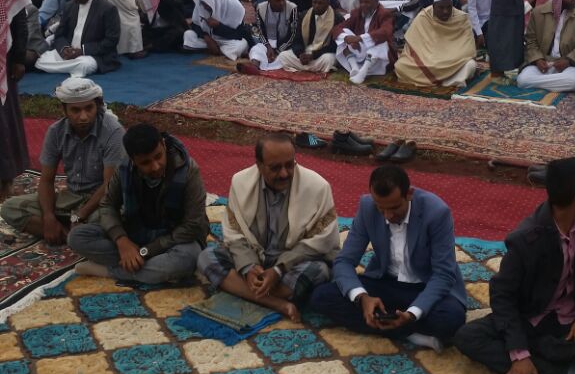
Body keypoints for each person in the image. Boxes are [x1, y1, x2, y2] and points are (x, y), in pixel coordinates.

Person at [454, 157, 575, 374]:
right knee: (467, 337)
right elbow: (502, 295)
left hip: (570, 319)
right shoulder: (527, 238)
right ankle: (553, 369)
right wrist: (519, 353)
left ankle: (542, 352)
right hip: (530, 318)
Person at [310, 163, 467, 350]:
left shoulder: (436, 212)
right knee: (322, 296)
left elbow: (443, 275)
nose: (388, 215)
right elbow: (344, 261)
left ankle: (396, 322)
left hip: (425, 286)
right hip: (386, 283)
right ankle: (411, 334)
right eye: (381, 208)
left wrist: (412, 314)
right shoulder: (367, 207)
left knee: (451, 319)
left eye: (394, 208)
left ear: (409, 194)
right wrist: (362, 298)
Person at [198, 132, 340, 322]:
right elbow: (235, 234)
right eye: (275, 168)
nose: (284, 174)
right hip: (257, 259)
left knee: (319, 270)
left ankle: (248, 292)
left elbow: (320, 242)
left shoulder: (317, 187)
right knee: (206, 257)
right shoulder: (241, 182)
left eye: (289, 165)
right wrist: (249, 268)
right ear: (259, 165)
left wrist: (278, 270)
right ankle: (277, 303)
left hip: (294, 263)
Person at [68, 122, 209, 284]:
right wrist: (122, 241)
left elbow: (192, 225)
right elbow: (107, 205)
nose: (155, 166)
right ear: (133, 160)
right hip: (136, 233)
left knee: (187, 258)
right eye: (145, 163)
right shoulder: (124, 168)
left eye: (158, 156)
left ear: (163, 145)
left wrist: (146, 251)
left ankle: (111, 271)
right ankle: (146, 268)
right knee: (77, 237)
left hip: (174, 239)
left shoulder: (189, 170)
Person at [1, 76, 125, 242]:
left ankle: (74, 234)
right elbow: (46, 181)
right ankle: (73, 236)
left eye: (89, 108)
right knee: (10, 208)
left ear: (98, 106)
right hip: (70, 198)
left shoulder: (113, 131)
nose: (83, 117)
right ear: (64, 110)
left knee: (110, 219)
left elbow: (109, 186)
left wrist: (80, 215)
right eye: (76, 110)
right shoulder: (56, 131)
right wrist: (49, 217)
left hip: (100, 201)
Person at [35, 0, 121, 76]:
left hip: (92, 55)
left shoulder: (107, 9)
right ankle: (71, 68)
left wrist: (82, 51)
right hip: (68, 53)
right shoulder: (69, 6)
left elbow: (111, 40)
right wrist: (65, 49)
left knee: (83, 65)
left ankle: (66, 67)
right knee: (41, 60)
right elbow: (60, 35)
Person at [517, 0, 575, 93]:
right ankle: (556, 84)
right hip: (543, 63)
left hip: (569, 65)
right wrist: (537, 59)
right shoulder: (538, 13)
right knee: (522, 80)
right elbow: (531, 40)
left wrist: (568, 60)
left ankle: (539, 83)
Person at [395, 0, 476, 88]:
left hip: (453, 62)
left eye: (448, 7)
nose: (445, 11)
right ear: (433, 6)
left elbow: (468, 48)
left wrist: (447, 60)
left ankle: (447, 80)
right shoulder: (424, 17)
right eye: (441, 8)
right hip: (427, 59)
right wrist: (432, 60)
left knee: (470, 65)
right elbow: (412, 46)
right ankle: (449, 80)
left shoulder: (461, 18)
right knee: (400, 66)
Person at [0, 0, 31, 202]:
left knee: (3, 122)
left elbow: (19, 15)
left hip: (4, 59)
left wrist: (19, 57)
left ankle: (5, 181)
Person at [333, 0, 396, 84]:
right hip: (359, 49)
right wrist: (347, 38)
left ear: (376, 3)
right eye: (361, 2)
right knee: (342, 34)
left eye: (367, 2)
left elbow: (386, 31)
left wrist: (360, 38)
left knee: (382, 42)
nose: (363, 5)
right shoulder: (357, 13)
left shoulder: (383, 13)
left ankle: (363, 72)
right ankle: (354, 68)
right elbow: (337, 28)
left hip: (377, 58)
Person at [276, 0, 340, 74]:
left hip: (321, 55)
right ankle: (312, 68)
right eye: (314, 2)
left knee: (328, 60)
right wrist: (300, 54)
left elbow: (334, 46)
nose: (316, 6)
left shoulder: (337, 18)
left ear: (328, 4)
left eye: (320, 3)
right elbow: (296, 39)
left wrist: (313, 55)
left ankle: (304, 67)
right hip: (305, 53)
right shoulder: (304, 15)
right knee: (283, 56)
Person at [183, 0, 251, 61]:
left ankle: (216, 50)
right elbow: (195, 24)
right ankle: (220, 51)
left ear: (214, 0)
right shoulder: (201, 5)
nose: (204, 7)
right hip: (209, 39)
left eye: (206, 4)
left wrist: (218, 26)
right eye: (203, 3)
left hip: (227, 41)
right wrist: (206, 37)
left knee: (241, 45)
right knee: (188, 34)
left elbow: (238, 34)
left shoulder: (234, 7)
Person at [243, 0, 298, 70]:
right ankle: (254, 67)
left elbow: (293, 34)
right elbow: (261, 31)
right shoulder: (261, 8)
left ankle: (268, 62)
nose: (282, 3)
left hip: (285, 45)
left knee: (286, 56)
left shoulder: (292, 8)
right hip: (268, 42)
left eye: (283, 0)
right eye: (278, 1)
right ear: (269, 0)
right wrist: (268, 46)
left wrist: (278, 51)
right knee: (256, 49)